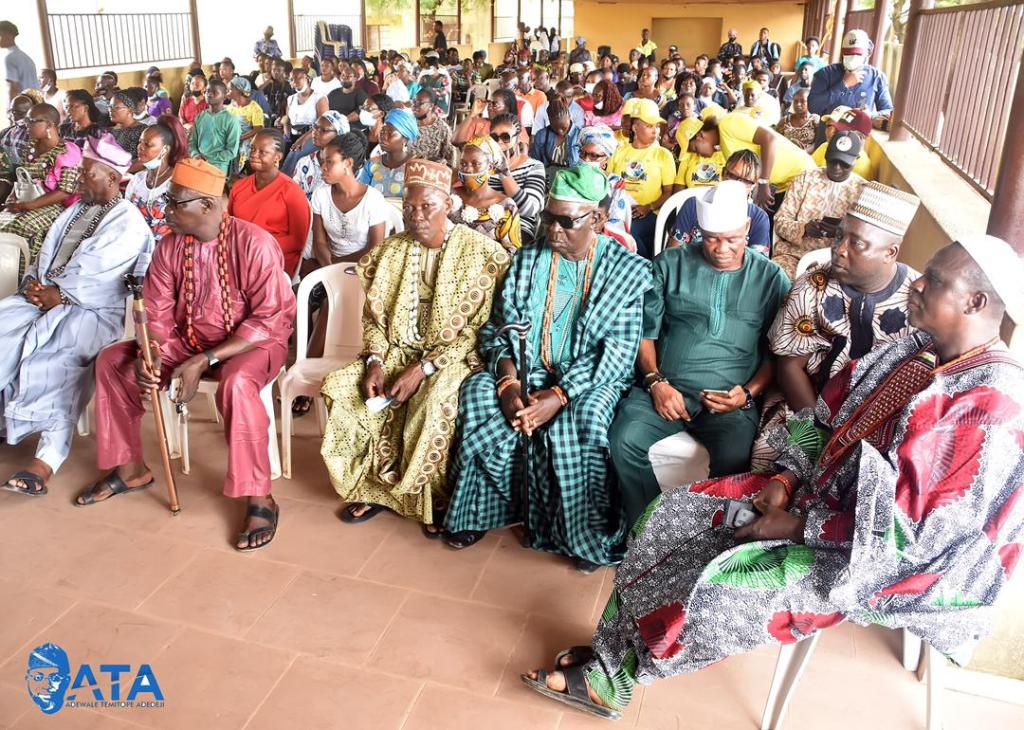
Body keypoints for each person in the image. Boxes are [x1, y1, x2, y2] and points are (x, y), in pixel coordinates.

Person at [521, 235, 1024, 721]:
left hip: (882, 563)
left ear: (975, 302)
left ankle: (619, 678)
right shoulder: (914, 350)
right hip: (817, 497)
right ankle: (614, 652)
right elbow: (825, 419)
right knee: (672, 513)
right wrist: (785, 478)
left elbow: (913, 539)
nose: (916, 283)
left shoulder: (989, 404)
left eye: (934, 280)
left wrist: (798, 527)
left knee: (723, 585)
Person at [82, 159, 296, 551]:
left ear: (208, 206)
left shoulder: (255, 243)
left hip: (252, 344)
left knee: (237, 383)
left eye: (175, 203)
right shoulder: (169, 246)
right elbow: (158, 314)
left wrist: (205, 360)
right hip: (187, 340)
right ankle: (131, 470)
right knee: (114, 362)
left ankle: (260, 496)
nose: (166, 210)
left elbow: (271, 317)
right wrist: (151, 353)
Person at [444, 166, 652, 568]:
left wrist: (558, 396)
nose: (554, 230)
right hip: (527, 370)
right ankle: (480, 513)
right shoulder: (528, 260)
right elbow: (499, 329)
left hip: (592, 380)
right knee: (479, 394)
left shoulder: (624, 271)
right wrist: (508, 384)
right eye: (549, 217)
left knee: (585, 419)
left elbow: (616, 354)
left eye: (567, 221)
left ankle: (584, 536)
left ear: (596, 219)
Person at [319, 159, 511, 531]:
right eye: (409, 207)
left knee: (433, 401)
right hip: (395, 351)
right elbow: (374, 319)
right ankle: (374, 488)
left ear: (449, 205)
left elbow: (477, 332)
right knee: (343, 388)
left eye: (427, 206)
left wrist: (423, 369)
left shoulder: (482, 253)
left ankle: (432, 500)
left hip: (452, 358)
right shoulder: (390, 252)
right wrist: (375, 361)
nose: (417, 216)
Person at [608, 181, 790, 526]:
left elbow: (776, 354)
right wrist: (655, 382)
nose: (721, 248)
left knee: (735, 456)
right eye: (711, 238)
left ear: (747, 228)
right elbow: (644, 334)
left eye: (731, 239)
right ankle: (648, 527)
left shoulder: (770, 278)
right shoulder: (669, 265)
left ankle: (701, 535)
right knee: (624, 439)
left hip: (729, 402)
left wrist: (747, 394)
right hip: (666, 391)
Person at [0, 136, 153, 497]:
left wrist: (60, 295)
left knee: (57, 359)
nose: (79, 179)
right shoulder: (78, 209)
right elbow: (46, 256)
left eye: (86, 173)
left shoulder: (127, 222)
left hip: (93, 310)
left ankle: (45, 462)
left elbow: (101, 277)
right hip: (48, 299)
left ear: (112, 178)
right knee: (5, 332)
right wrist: (37, 286)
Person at [754, 181, 921, 470]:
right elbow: (789, 366)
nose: (840, 249)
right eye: (839, 236)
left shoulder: (916, 300)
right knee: (772, 458)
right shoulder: (812, 285)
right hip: (805, 404)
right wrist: (820, 430)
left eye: (857, 243)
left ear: (890, 252)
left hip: (881, 421)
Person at [772, 131, 866, 279]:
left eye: (844, 164)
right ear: (826, 154)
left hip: (835, 263)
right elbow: (780, 222)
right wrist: (804, 229)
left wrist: (840, 233)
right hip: (794, 254)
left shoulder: (862, 191)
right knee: (777, 279)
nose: (837, 168)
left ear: (856, 160)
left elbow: (863, 240)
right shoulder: (805, 179)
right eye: (833, 161)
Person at [0, 103, 82, 264]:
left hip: (56, 205)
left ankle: (20, 271)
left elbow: (65, 191)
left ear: (49, 125)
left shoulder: (66, 151)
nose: (26, 124)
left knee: (19, 226)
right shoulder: (31, 146)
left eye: (31, 121)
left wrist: (28, 205)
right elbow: (22, 177)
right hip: (27, 199)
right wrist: (13, 198)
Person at [229, 129, 311, 276]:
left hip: (273, 260)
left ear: (277, 157)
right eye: (252, 149)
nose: (254, 155)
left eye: (262, 152)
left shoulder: (291, 191)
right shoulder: (239, 187)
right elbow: (230, 224)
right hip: (239, 255)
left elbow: (298, 241)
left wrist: (257, 248)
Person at [693, 110, 816, 208]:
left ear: (699, 136)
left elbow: (769, 138)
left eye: (695, 149)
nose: (700, 155)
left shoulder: (728, 122)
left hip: (802, 176)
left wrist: (763, 182)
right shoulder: (723, 143)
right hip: (783, 185)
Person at [606, 98, 675, 259]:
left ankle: (644, 267)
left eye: (657, 126)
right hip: (620, 211)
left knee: (628, 231)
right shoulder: (619, 151)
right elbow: (609, 181)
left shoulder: (663, 155)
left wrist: (648, 207)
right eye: (649, 126)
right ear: (635, 127)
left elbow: (668, 192)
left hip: (651, 213)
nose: (655, 131)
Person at [671, 150, 772, 257]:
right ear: (723, 174)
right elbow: (673, 255)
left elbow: (759, 263)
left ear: (753, 186)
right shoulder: (693, 205)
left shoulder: (758, 218)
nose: (737, 184)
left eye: (746, 181)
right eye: (733, 176)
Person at [449, 135, 521, 251]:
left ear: (490, 167)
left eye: (475, 164)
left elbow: (512, 251)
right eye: (463, 164)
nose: (468, 169)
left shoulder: (506, 206)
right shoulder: (450, 196)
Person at [125, 115, 189, 244]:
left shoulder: (178, 182)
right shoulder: (137, 179)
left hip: (166, 247)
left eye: (148, 144)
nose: (140, 147)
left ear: (165, 149)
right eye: (140, 142)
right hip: (134, 244)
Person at [487, 113, 546, 244]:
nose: (499, 142)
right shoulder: (484, 165)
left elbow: (529, 209)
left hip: (518, 228)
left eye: (505, 137)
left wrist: (504, 173)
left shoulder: (534, 166)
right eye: (494, 137)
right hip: (484, 223)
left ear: (518, 139)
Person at [809, 30, 893, 121]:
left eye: (858, 54)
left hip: (859, 129)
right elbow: (813, 107)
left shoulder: (876, 77)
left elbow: (888, 112)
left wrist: (870, 115)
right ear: (842, 52)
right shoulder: (826, 73)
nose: (853, 57)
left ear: (868, 53)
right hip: (829, 128)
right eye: (848, 53)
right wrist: (843, 85)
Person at [578, 124, 636, 251]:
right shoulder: (571, 178)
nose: (586, 160)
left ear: (605, 160)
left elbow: (616, 221)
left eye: (593, 156)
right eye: (582, 154)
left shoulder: (615, 183)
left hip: (601, 239)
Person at [358, 107, 417, 199]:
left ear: (405, 139)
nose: (383, 137)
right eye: (382, 131)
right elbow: (361, 195)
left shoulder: (416, 166)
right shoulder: (371, 164)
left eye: (390, 133)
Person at [187, 79, 240, 175]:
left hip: (218, 166)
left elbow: (231, 151)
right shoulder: (201, 116)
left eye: (215, 92)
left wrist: (209, 159)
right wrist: (195, 155)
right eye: (207, 91)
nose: (209, 94)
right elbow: (192, 142)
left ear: (224, 96)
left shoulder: (231, 120)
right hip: (198, 162)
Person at [811, 106, 875, 179]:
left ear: (861, 137)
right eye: (829, 126)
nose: (833, 132)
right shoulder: (826, 146)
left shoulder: (861, 166)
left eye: (844, 131)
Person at [530, 97, 581, 183]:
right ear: (549, 121)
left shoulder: (580, 136)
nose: (560, 131)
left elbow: (583, 166)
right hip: (548, 180)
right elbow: (535, 163)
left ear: (569, 115)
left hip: (573, 181)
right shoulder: (541, 135)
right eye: (555, 127)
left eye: (564, 127)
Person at [226, 77, 265, 167]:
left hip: (248, 139)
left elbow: (258, 129)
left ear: (239, 90)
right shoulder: (230, 107)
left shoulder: (254, 107)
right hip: (233, 138)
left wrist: (240, 138)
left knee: (243, 152)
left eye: (230, 90)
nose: (227, 92)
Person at [407, 88, 453, 162]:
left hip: (431, 168)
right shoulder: (408, 123)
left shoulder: (442, 129)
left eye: (420, 103)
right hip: (408, 166)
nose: (414, 106)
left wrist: (440, 162)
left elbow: (450, 159)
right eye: (414, 101)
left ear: (431, 106)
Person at [284, 65, 322, 144]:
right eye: (291, 79)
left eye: (298, 78)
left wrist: (303, 139)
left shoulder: (319, 97)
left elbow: (321, 124)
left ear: (307, 78)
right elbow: (287, 122)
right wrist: (287, 138)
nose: (294, 82)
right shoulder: (290, 99)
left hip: (312, 137)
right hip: (293, 136)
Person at [107, 90, 147, 162]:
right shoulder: (108, 131)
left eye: (116, 107)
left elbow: (145, 159)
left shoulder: (142, 131)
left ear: (130, 110)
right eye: (110, 107)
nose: (111, 110)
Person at [1, 20, 37, 97]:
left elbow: (13, 88)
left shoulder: (10, 58)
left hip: (22, 102)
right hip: (34, 100)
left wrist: (11, 104)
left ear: (8, 36)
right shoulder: (26, 58)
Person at [0, 95, 31, 174]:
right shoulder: (5, 132)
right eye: (13, 111)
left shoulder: (31, 135)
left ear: (29, 113)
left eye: (20, 113)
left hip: (22, 176)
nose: (15, 115)